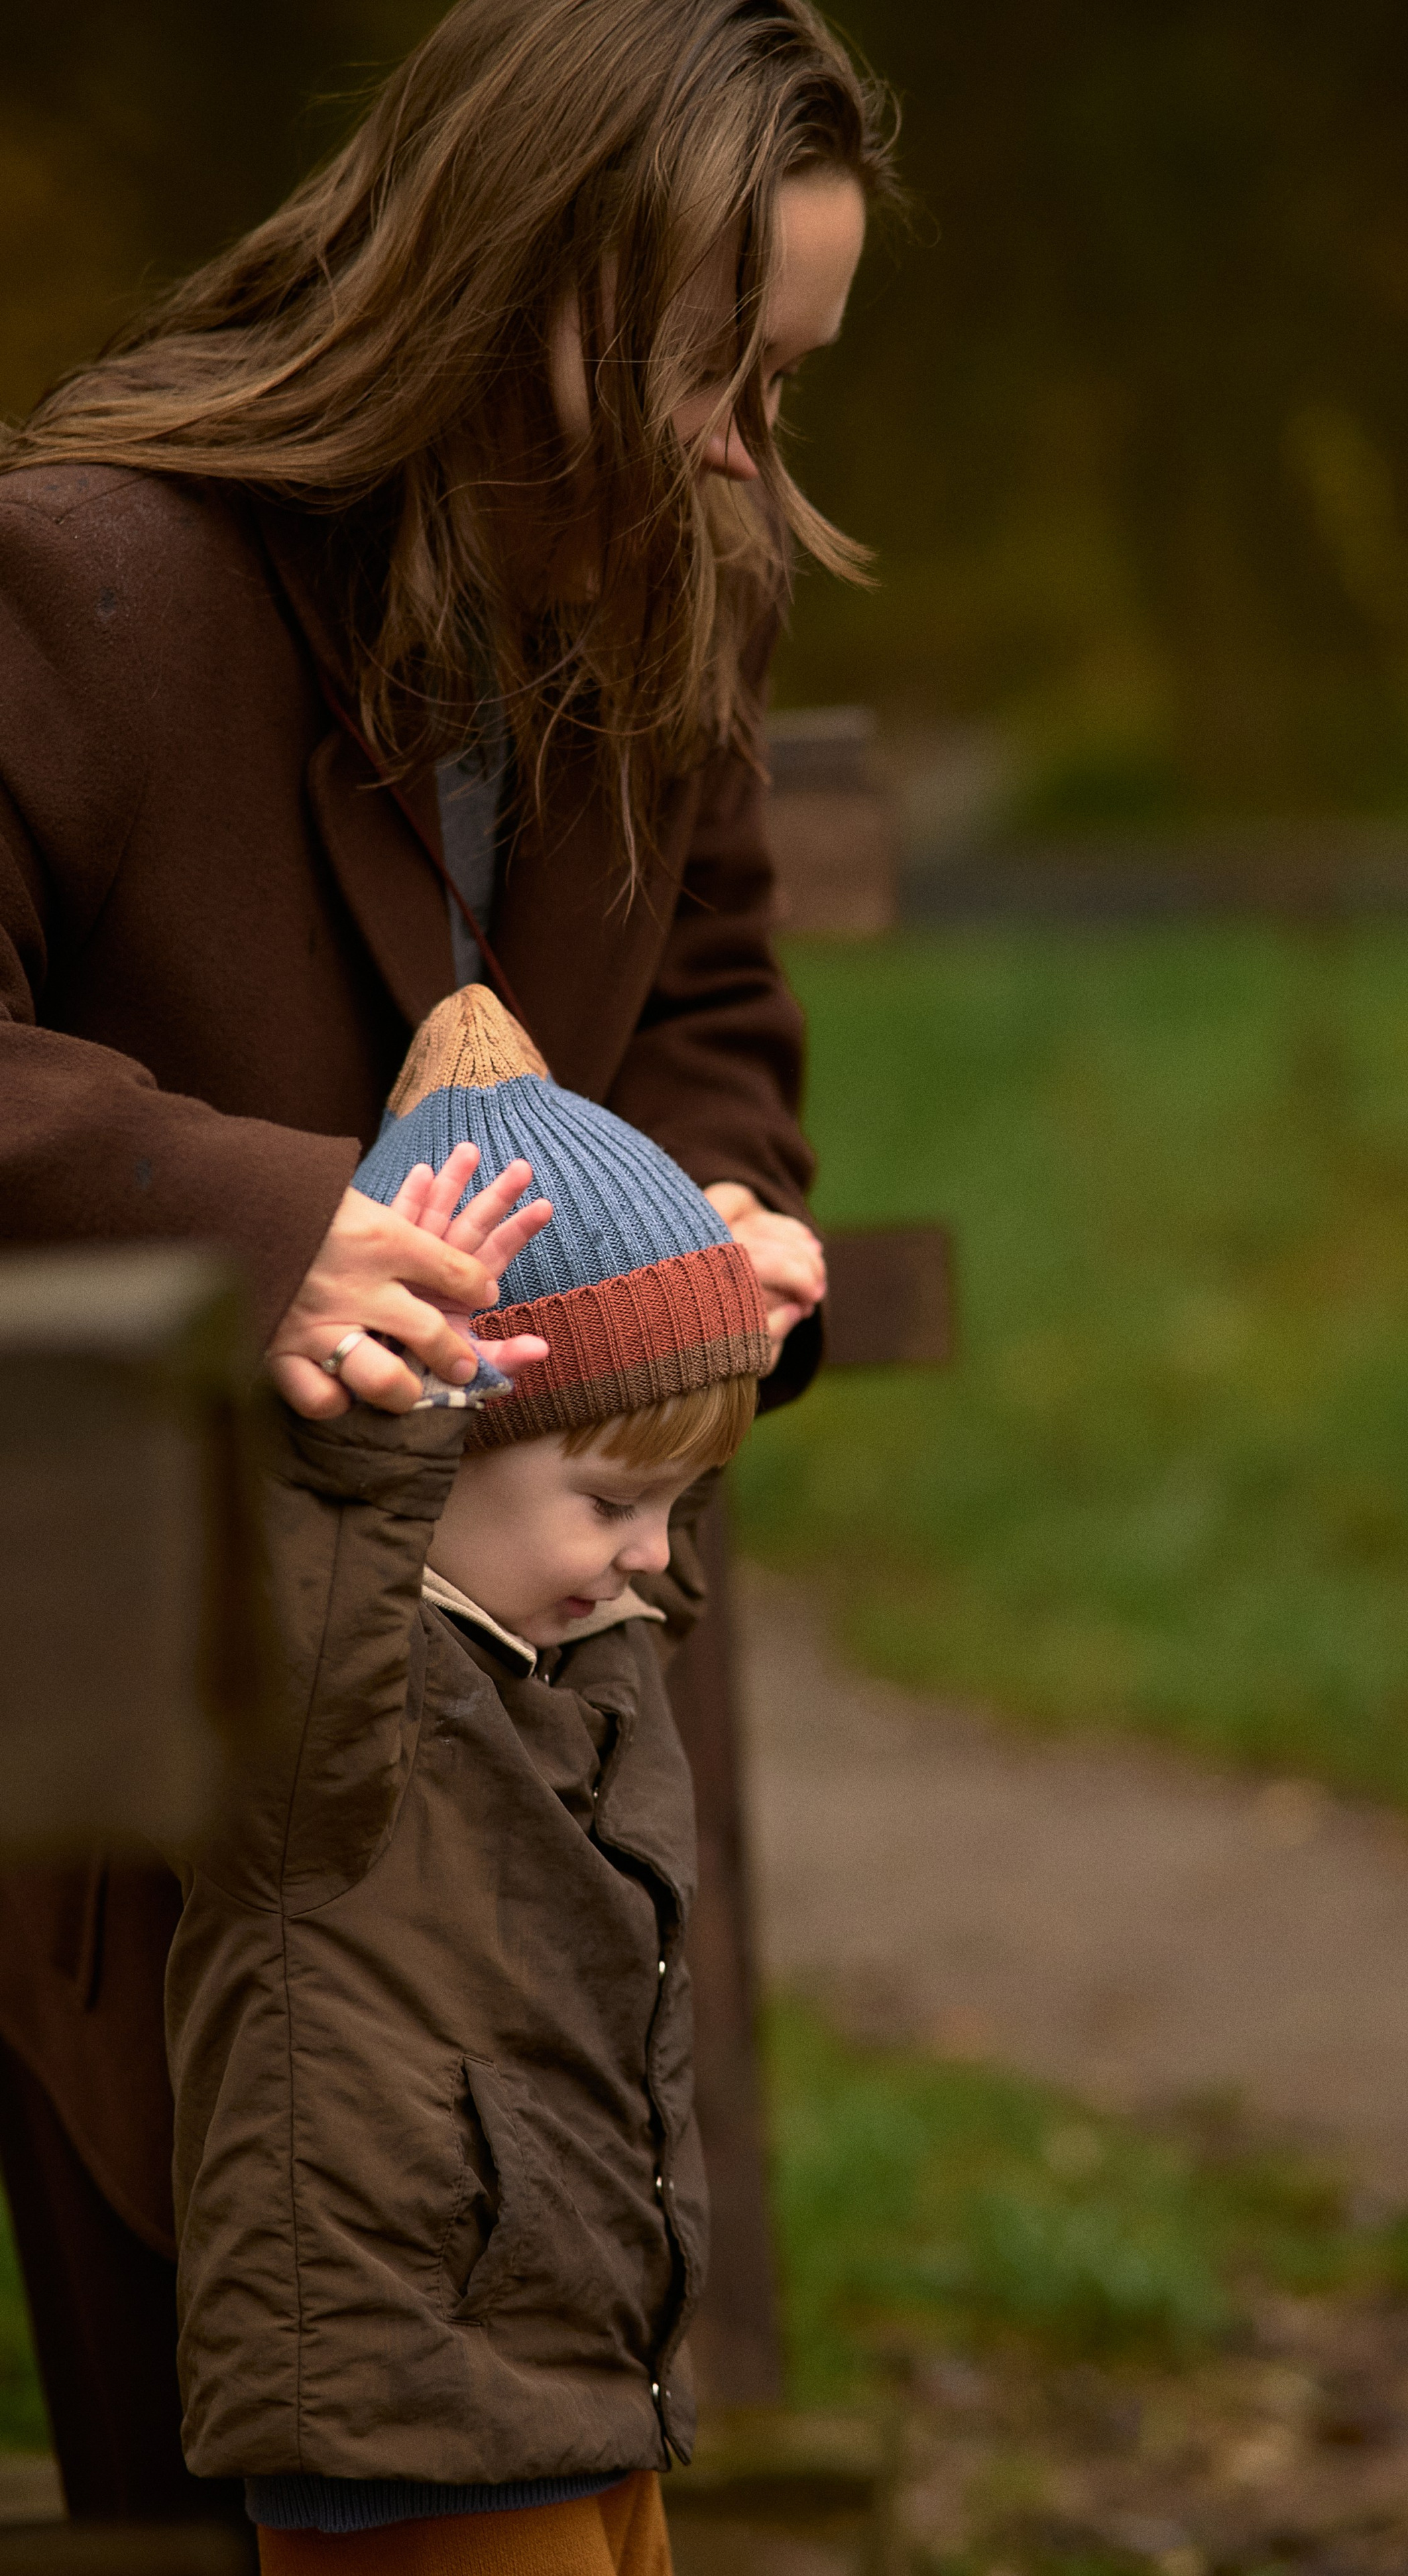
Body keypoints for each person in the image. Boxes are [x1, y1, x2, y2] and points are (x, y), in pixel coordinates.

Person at [0, 0, 892, 2526]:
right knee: (244, 2443)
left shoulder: (679, 577)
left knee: (552, 2390)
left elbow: (708, 995)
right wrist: (256, 1227)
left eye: (789, 380)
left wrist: (718, 1210)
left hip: (537, 1709)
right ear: (528, 282)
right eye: (720, 368)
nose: (750, 453)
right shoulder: (83, 579)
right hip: (163, 1730)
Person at [170, 984, 770, 2576]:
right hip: (408, 2418)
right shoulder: (318, 1712)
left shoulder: (566, 1640)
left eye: (682, 1500)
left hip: (579, 2375)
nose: (647, 1553)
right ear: (430, 1445)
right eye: (613, 1502)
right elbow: (321, 1606)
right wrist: (381, 1424)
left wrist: (730, 1316)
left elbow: (634, 1547)